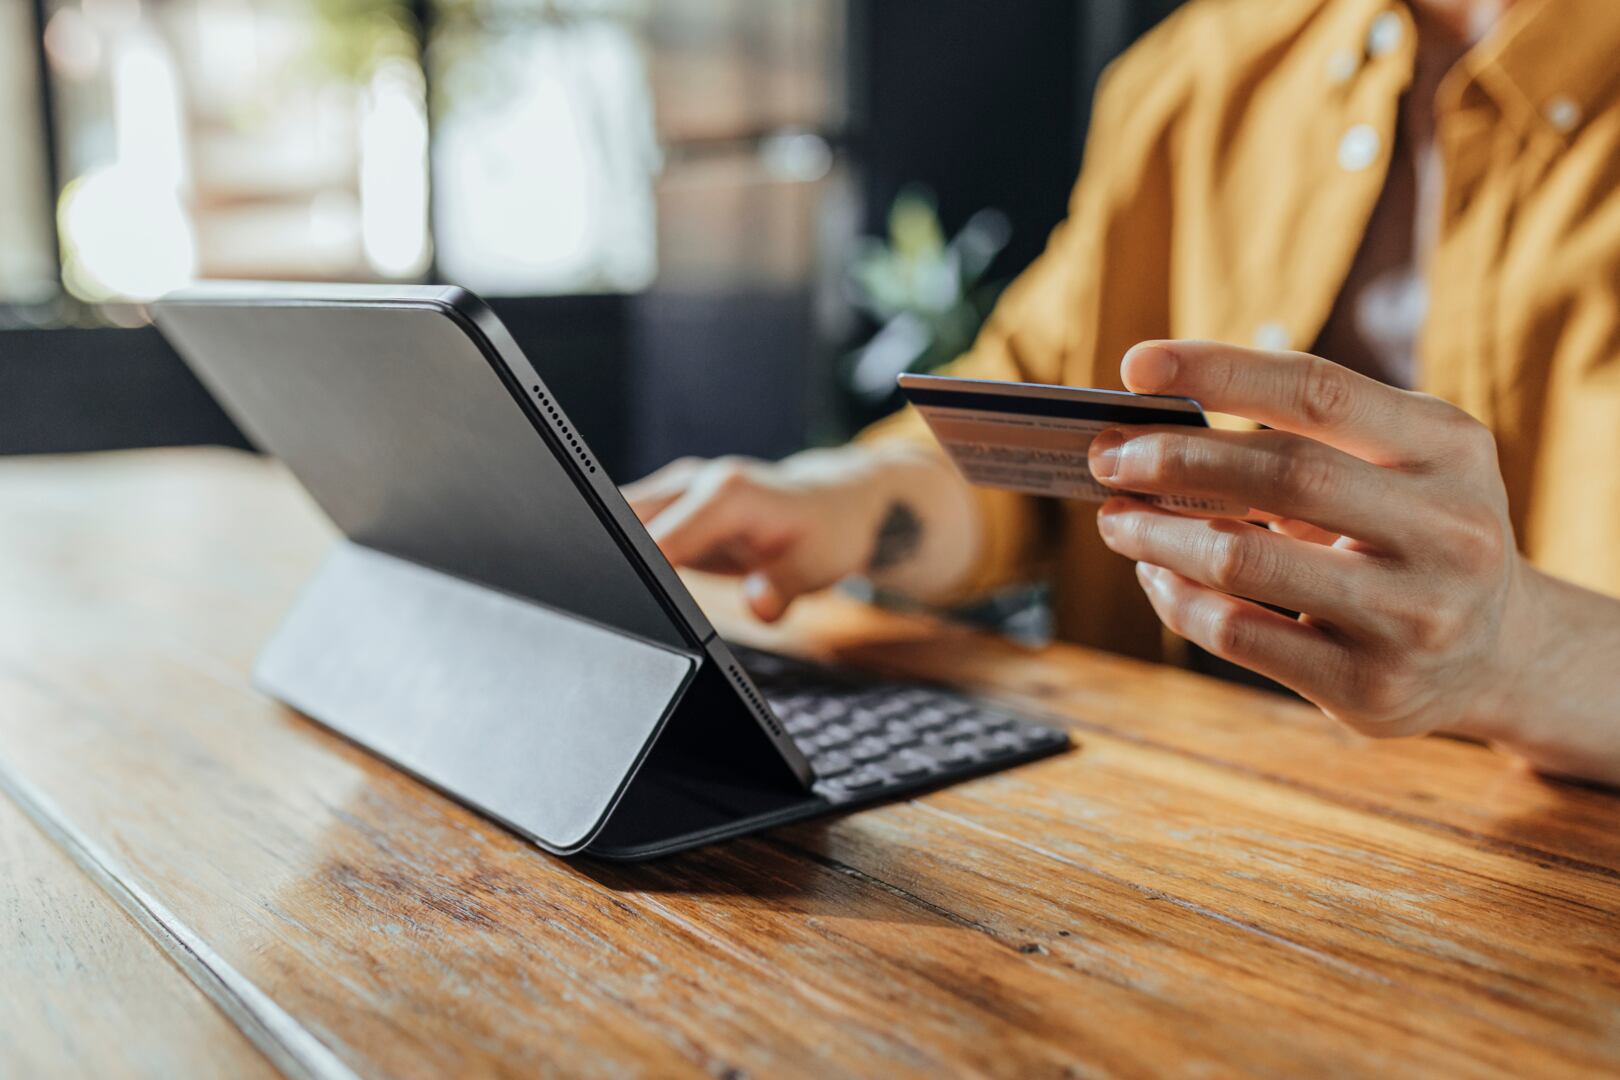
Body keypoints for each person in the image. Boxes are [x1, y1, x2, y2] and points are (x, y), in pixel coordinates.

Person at [624, 0, 1620, 786]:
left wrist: (1517, 650)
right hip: (1164, 839)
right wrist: (843, 503)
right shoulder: (1194, 74)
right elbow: (1034, 422)